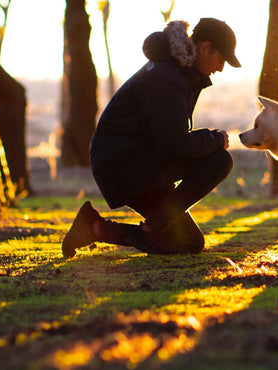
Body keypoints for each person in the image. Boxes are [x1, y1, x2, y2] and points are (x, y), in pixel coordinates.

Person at [62, 18, 241, 256]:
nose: (220, 68)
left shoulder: (177, 73)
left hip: (135, 163)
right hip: (124, 166)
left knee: (189, 243)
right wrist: (216, 139)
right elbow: (175, 144)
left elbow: (170, 139)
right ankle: (152, 229)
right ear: (205, 47)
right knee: (219, 160)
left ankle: (93, 228)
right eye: (221, 59)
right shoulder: (168, 78)